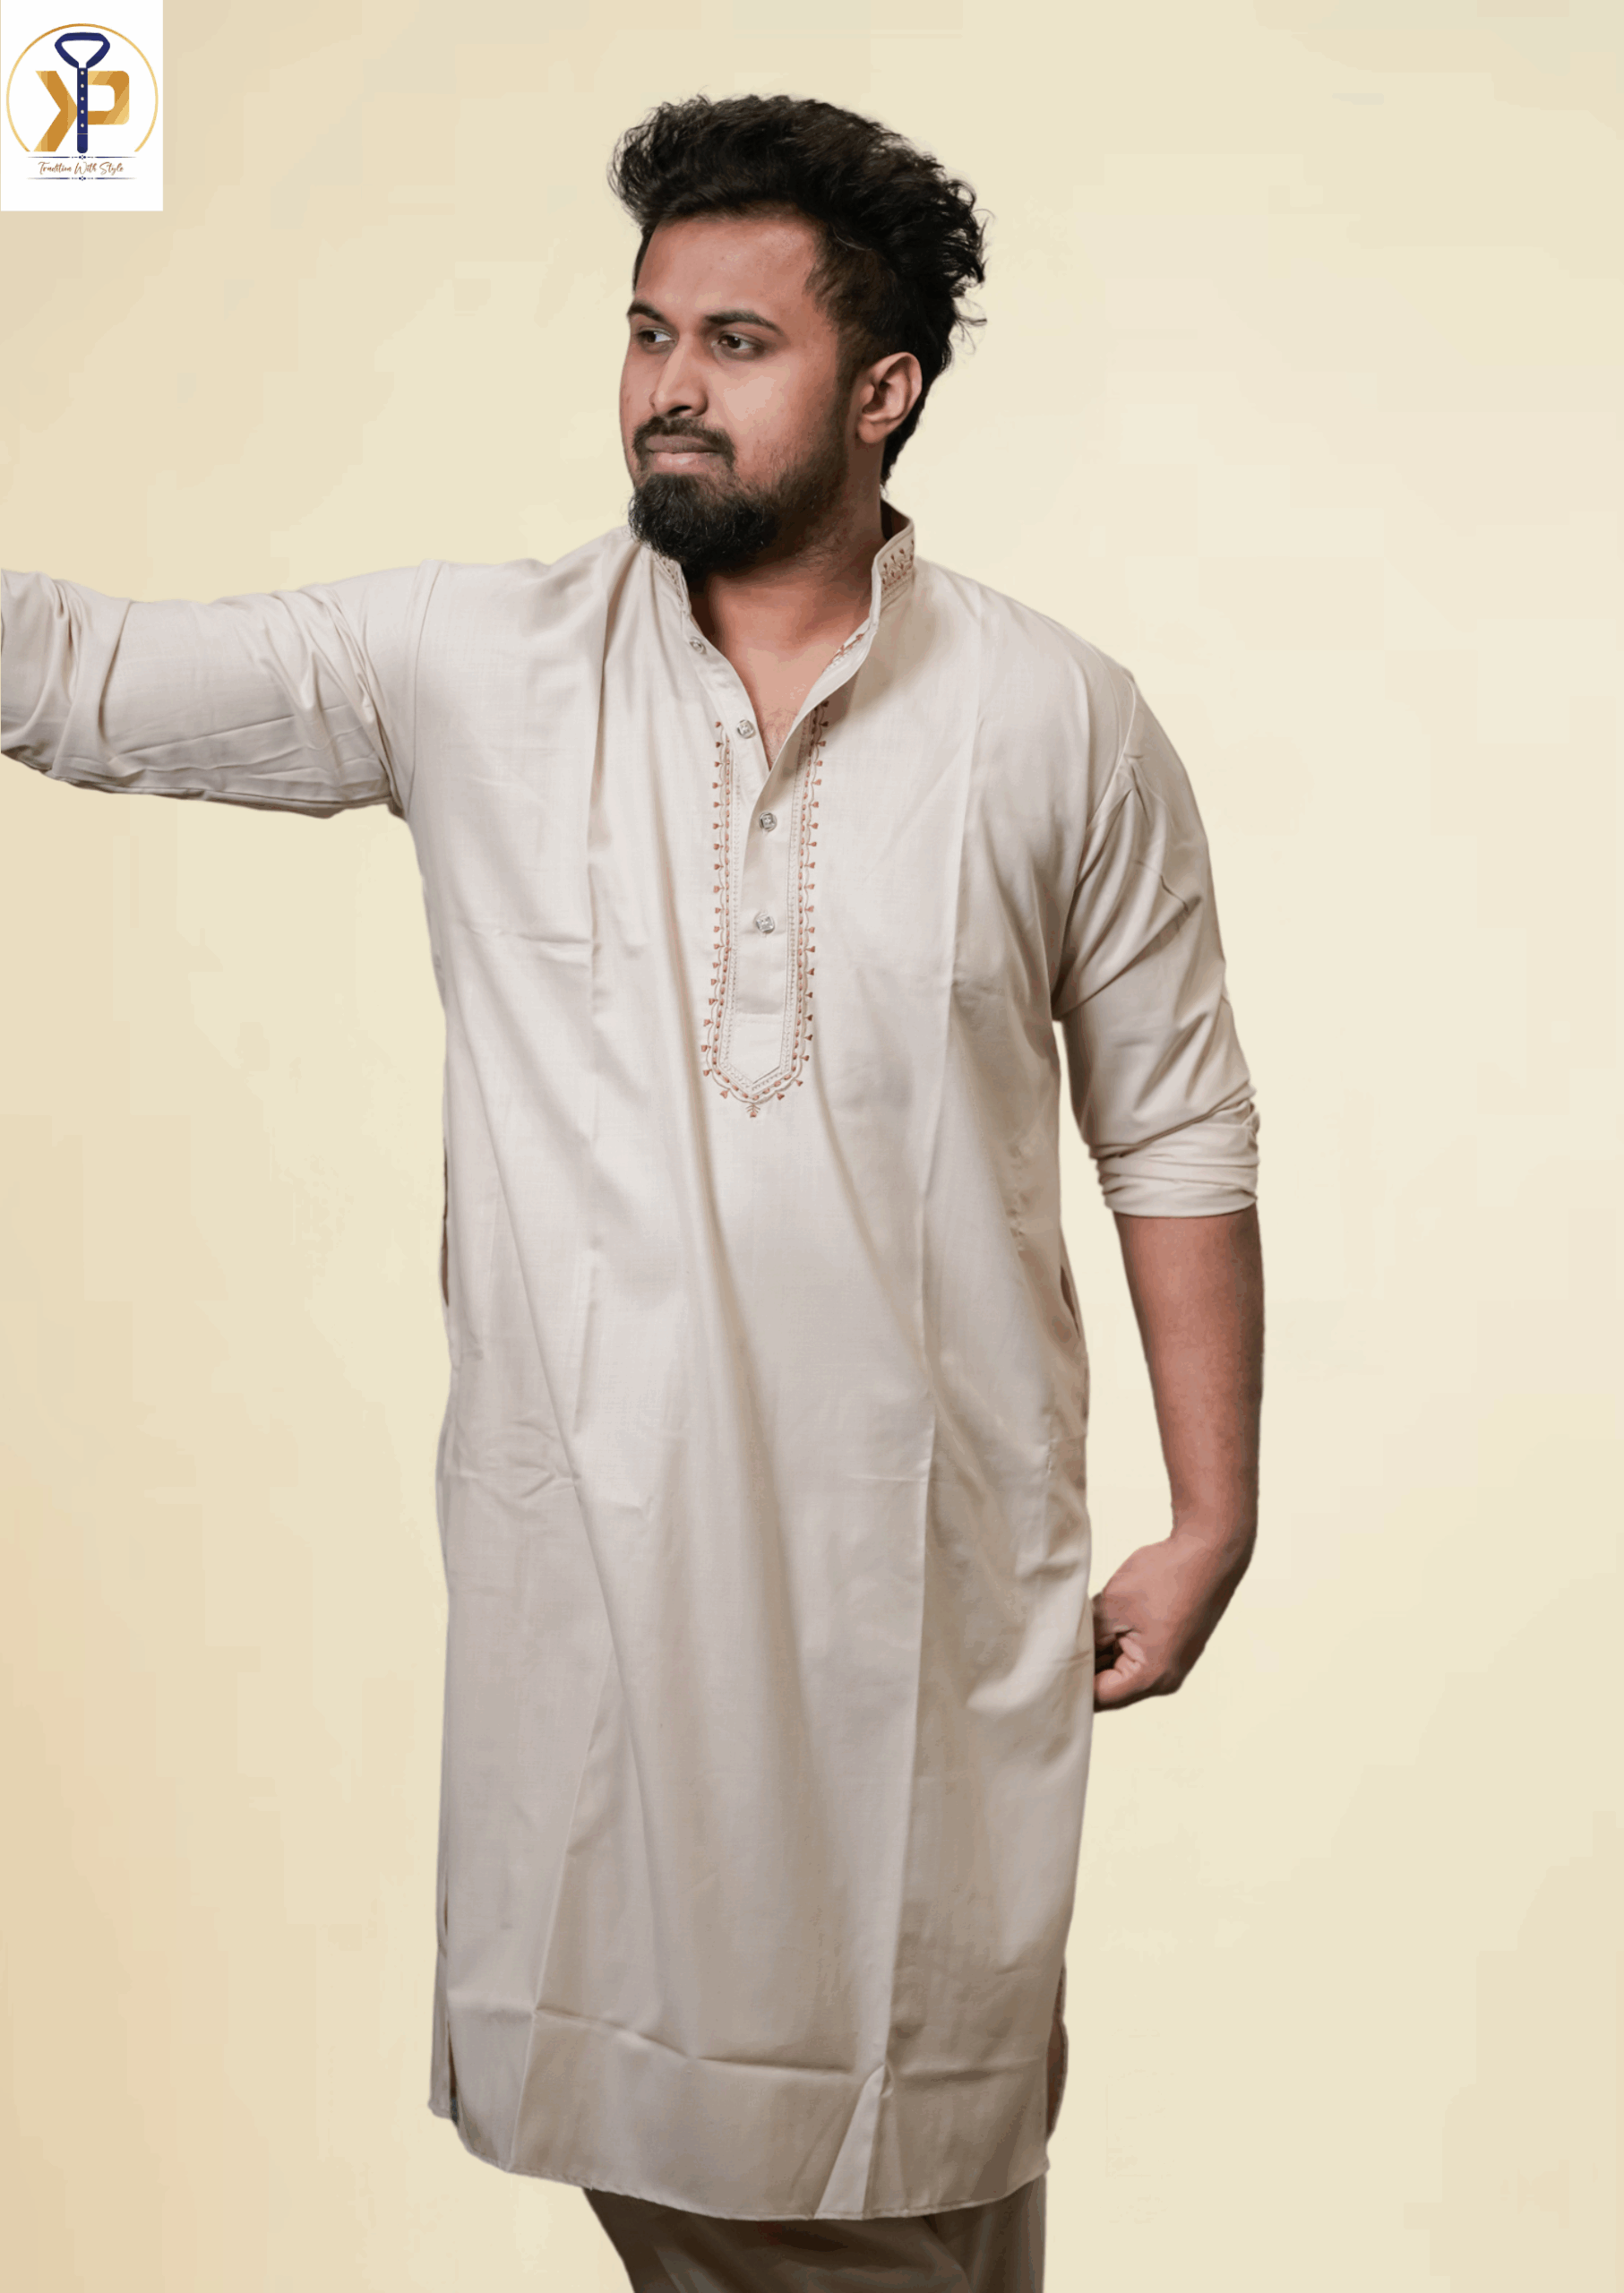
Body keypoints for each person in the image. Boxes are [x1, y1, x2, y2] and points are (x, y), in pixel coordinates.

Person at [1, 92, 1263, 2293]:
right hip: (601, 1600)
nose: (671, 383)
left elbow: (1175, 1122)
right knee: (744, 2182)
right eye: (649, 330)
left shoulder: (1059, 720)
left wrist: (1215, 1505)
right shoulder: (470, 666)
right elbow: (83, 677)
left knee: (946, 2167)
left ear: (882, 390)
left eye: (739, 341)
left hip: (924, 1614)